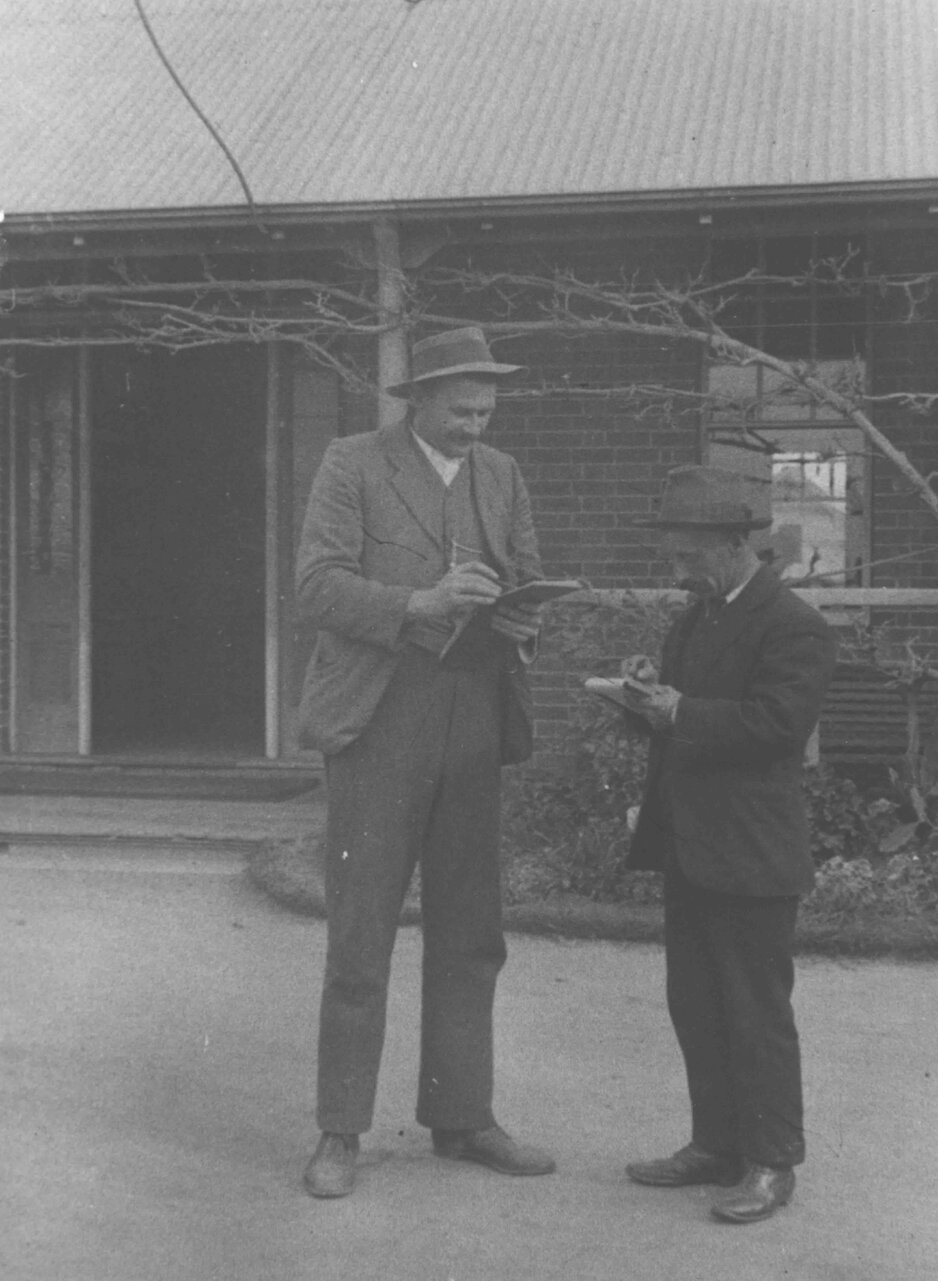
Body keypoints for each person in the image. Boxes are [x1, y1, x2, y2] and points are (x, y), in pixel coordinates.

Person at [295, 327, 556, 1198]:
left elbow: (525, 580)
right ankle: (341, 1131)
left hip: (475, 714)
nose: (475, 426)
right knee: (361, 928)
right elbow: (318, 587)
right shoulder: (352, 464)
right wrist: (422, 599)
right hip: (382, 718)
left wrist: (524, 617)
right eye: (461, 410)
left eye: (487, 410)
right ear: (421, 399)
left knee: (472, 929)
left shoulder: (504, 475)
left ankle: (463, 1115)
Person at [619, 465, 836, 1224]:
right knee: (698, 1003)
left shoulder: (793, 623)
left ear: (732, 543)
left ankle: (773, 1162)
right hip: (693, 843)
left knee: (755, 1010)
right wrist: (644, 692)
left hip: (752, 851)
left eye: (688, 556)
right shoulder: (699, 615)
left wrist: (681, 710)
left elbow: (778, 725)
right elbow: (682, 712)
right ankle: (715, 1144)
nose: (678, 573)